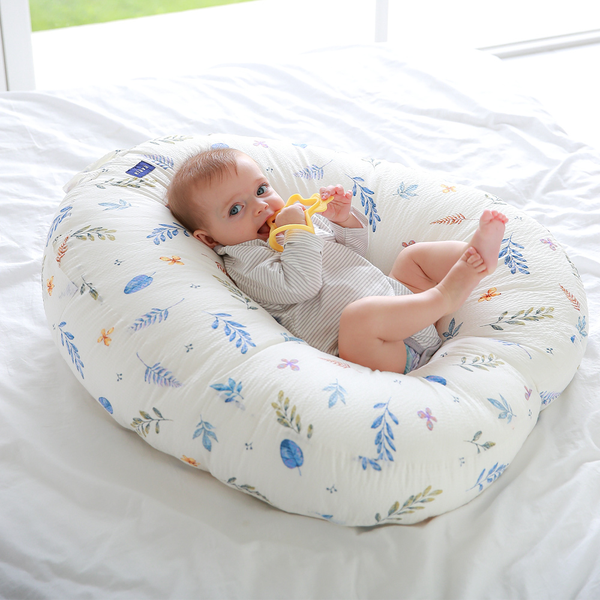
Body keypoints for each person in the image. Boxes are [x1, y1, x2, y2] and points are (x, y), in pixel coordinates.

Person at [167, 147, 508, 374]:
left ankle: (474, 255)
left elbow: (354, 253)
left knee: (412, 258)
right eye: (235, 209)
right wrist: (298, 231)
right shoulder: (245, 262)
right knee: (359, 317)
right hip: (376, 350)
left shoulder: (300, 225)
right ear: (209, 239)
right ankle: (447, 295)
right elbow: (302, 284)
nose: (261, 207)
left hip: (405, 306)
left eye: (260, 190)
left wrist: (342, 220)